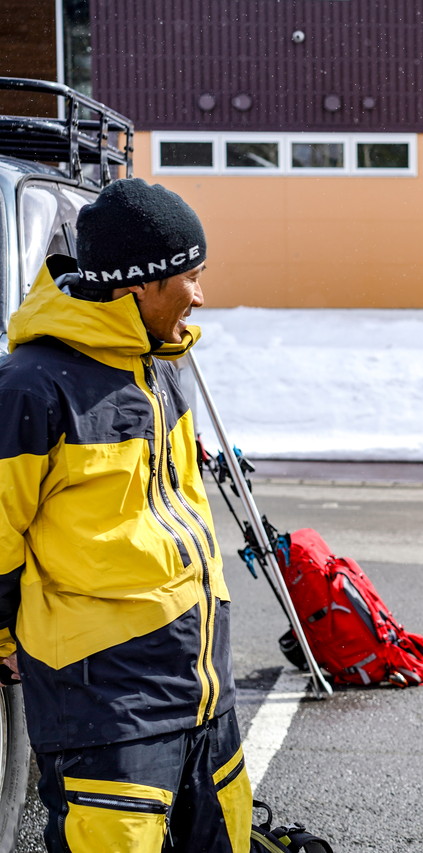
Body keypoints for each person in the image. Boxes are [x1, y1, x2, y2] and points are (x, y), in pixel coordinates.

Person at [0, 178, 251, 852]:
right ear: (137, 286)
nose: (200, 294)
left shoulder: (161, 362)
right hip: (105, 705)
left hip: (202, 687)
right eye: (190, 276)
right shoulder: (31, 385)